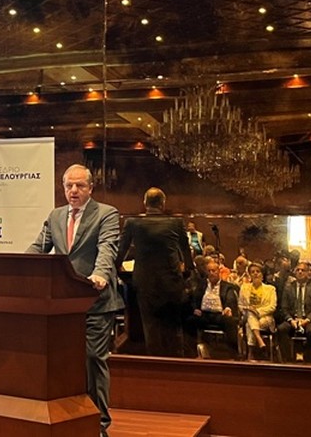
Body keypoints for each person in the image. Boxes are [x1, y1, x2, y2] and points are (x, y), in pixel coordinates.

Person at [27, 164, 122, 437]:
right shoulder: (55, 216)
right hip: (63, 305)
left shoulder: (106, 214)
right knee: (64, 363)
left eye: (79, 185)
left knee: (92, 359)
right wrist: (18, 267)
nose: (73, 191)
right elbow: (39, 247)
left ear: (90, 188)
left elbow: (107, 248)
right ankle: (69, 418)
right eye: (69, 185)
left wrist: (100, 274)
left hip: (96, 301)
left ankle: (99, 424)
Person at [117, 187, 190, 357]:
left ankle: (154, 361)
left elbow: (120, 253)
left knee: (150, 327)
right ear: (163, 204)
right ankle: (176, 362)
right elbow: (187, 256)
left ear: (145, 203)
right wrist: (184, 275)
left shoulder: (132, 223)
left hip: (145, 282)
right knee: (173, 328)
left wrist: (122, 273)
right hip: (171, 281)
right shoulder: (176, 223)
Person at [185, 260, 240, 357]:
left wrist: (228, 308)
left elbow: (230, 299)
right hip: (204, 314)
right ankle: (191, 352)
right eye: (209, 271)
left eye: (213, 271)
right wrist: (195, 309)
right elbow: (195, 298)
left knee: (230, 322)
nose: (211, 273)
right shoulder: (202, 285)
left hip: (220, 315)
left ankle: (233, 354)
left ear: (218, 271)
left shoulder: (227, 286)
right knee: (189, 320)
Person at [275, 262, 311, 363]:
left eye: (303, 270)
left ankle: (308, 359)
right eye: (298, 270)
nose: (300, 272)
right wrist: (291, 320)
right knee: (281, 329)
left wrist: (307, 320)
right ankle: (289, 359)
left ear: (308, 273)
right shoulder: (288, 288)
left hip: (308, 319)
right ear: (294, 273)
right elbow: (284, 308)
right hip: (292, 319)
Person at [239, 263, 277, 358]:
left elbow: (272, 306)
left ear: (262, 274)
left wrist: (257, 311)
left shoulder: (270, 289)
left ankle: (250, 351)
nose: (255, 274)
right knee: (250, 315)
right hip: (248, 315)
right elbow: (240, 305)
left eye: (258, 271)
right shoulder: (244, 288)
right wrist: (249, 310)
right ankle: (259, 340)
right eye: (252, 272)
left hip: (265, 317)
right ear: (250, 275)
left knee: (250, 324)